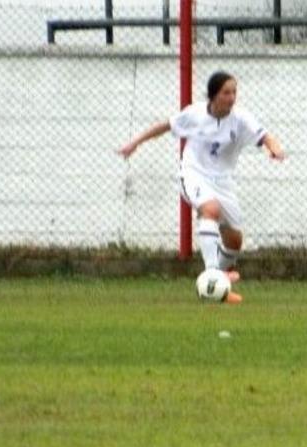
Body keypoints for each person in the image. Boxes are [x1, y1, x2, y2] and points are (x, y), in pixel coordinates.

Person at [117, 71, 285, 304]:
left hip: (223, 181)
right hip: (193, 174)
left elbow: (266, 136)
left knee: (234, 242)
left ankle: (217, 285)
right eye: (226, 92)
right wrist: (134, 143)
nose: (232, 97)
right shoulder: (195, 114)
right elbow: (165, 126)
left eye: (234, 92)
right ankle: (213, 272)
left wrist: (275, 149)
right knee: (210, 210)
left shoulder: (241, 119)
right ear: (214, 95)